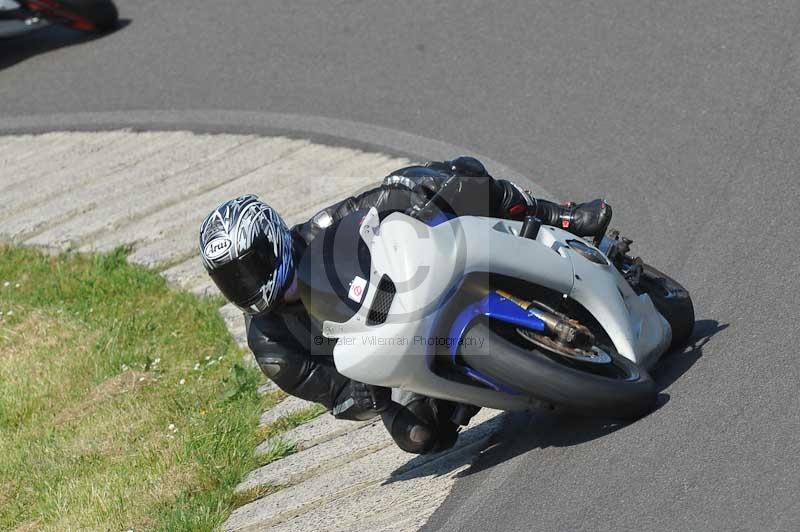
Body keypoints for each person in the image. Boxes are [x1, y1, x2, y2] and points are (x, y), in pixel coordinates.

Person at [199, 157, 612, 454]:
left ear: (272, 240)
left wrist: (417, 200)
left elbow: (384, 198)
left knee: (452, 177)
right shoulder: (270, 342)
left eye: (249, 268)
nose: (246, 285)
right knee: (419, 438)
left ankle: (557, 215)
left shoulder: (323, 230)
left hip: (423, 284)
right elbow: (330, 392)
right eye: (231, 280)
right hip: (398, 357)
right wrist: (360, 394)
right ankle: (504, 378)